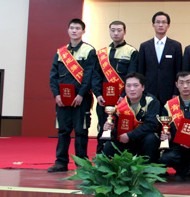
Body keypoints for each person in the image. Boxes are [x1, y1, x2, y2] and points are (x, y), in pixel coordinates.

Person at [47, 19, 97, 172]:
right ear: (68, 30)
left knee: (81, 130)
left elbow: (89, 75)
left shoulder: (89, 51)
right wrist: (56, 95)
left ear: (83, 31)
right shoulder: (61, 52)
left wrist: (81, 94)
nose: (74, 31)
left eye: (78, 28)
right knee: (63, 130)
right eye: (72, 28)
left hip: (82, 98)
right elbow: (53, 76)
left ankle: (81, 163)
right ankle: (61, 162)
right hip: (63, 99)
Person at [92, 20, 138, 153]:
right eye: (113, 30)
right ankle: (101, 157)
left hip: (123, 100)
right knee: (103, 128)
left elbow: (132, 76)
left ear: (125, 32)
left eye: (119, 30)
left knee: (122, 128)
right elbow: (96, 76)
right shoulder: (102, 53)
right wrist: (98, 94)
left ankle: (122, 158)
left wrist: (123, 96)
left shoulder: (131, 51)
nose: (116, 33)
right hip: (104, 100)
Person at [102, 72, 161, 163]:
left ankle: (150, 168)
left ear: (143, 87)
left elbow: (151, 125)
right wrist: (110, 128)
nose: (132, 89)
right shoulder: (121, 104)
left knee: (151, 138)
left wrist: (130, 135)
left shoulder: (151, 101)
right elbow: (117, 128)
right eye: (128, 86)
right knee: (109, 145)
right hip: (126, 141)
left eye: (135, 85)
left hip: (143, 140)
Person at [137, 11, 182, 104]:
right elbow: (140, 71)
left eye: (164, 22)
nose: (161, 25)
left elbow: (179, 70)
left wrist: (176, 91)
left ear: (168, 25)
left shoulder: (176, 46)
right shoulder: (144, 46)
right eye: (158, 22)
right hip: (149, 91)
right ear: (153, 25)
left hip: (169, 92)